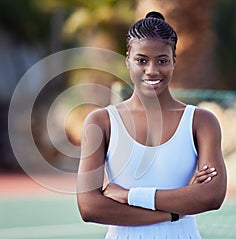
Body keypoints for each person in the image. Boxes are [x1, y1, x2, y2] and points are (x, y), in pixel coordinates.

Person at [77, 11, 227, 238]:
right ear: (127, 59)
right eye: (141, 60)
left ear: (174, 61)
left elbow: (211, 196)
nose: (152, 70)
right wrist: (176, 212)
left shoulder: (201, 122)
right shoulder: (101, 122)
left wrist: (128, 196)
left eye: (163, 61)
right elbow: (90, 207)